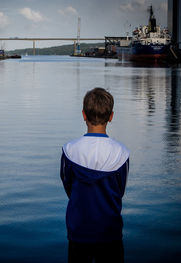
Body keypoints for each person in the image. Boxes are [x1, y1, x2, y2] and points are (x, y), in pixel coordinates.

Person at [60, 87, 130, 263]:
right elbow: (119, 190)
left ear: (84, 115)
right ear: (111, 116)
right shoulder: (121, 153)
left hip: (78, 230)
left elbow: (68, 186)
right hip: (110, 231)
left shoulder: (69, 151)